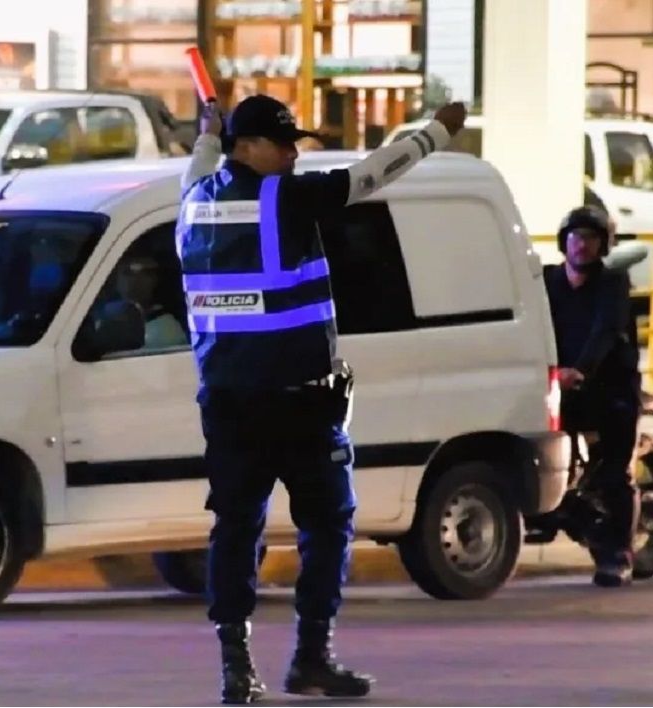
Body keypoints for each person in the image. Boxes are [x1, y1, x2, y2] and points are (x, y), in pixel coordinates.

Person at [176, 94, 466, 704]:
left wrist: (207, 131)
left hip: (228, 403)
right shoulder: (286, 198)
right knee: (329, 525)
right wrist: (435, 134)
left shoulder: (193, 201)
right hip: (298, 404)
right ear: (247, 146)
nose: (292, 154)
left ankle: (236, 665)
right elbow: (369, 175)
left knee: (234, 529)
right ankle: (310, 656)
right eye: (282, 144)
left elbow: (199, 162)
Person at [544, 205, 642, 588]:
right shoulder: (550, 281)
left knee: (615, 472)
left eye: (590, 238)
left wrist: (580, 369)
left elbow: (605, 331)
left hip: (610, 387)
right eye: (575, 237)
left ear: (602, 245)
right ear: (564, 242)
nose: (581, 245)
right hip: (561, 386)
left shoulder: (612, 283)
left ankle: (619, 554)